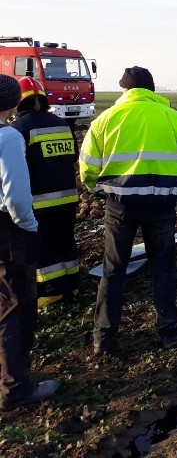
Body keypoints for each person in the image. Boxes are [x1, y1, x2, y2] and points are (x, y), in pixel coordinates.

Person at [79, 67, 177, 354]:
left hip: (120, 207)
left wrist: (99, 191)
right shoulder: (174, 118)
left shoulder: (105, 120)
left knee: (113, 270)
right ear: (151, 90)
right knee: (163, 266)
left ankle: (103, 338)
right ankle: (170, 331)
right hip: (161, 206)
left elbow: (87, 167)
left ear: (125, 90)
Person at [0, 75, 58, 410]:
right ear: (11, 102)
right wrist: (29, 228)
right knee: (14, 308)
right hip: (7, 232)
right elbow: (18, 198)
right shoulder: (7, 136)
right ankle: (16, 388)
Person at [11, 77, 80, 308]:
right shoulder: (63, 125)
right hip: (68, 197)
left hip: (39, 201)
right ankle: (72, 284)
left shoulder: (18, 129)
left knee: (44, 247)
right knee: (65, 240)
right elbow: (72, 158)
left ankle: (52, 292)